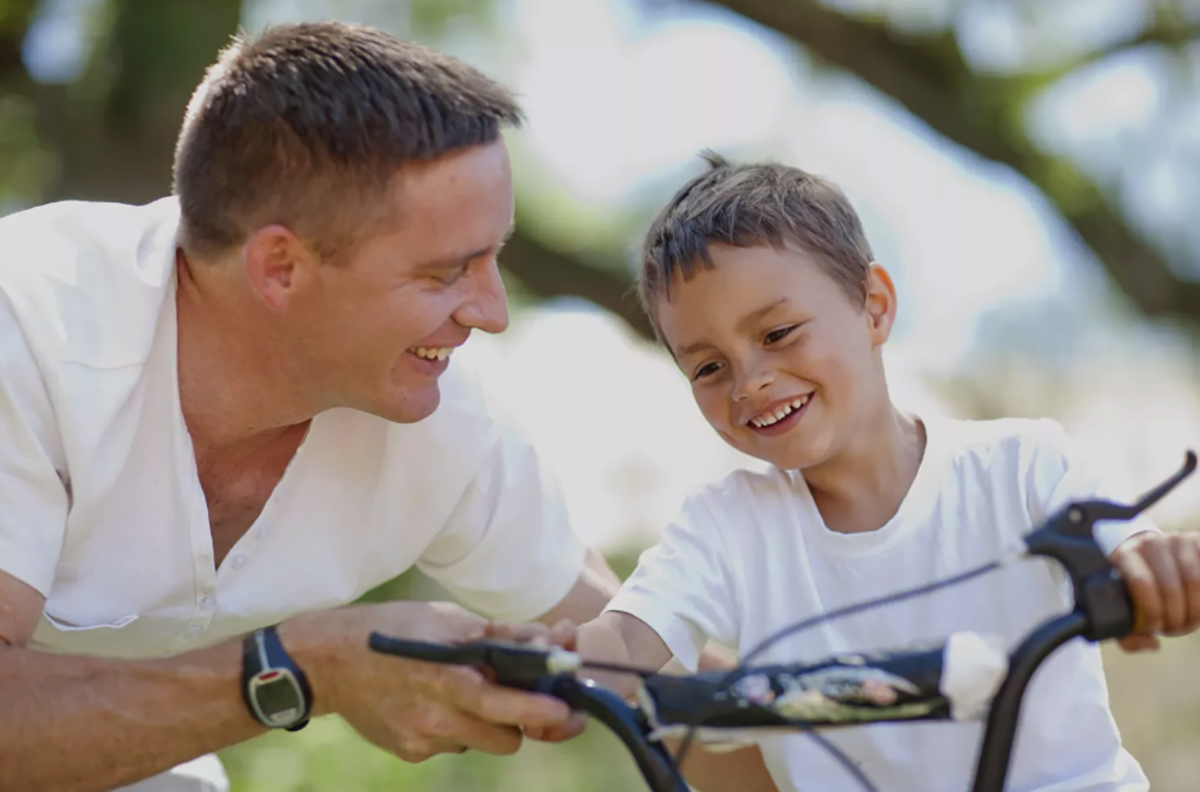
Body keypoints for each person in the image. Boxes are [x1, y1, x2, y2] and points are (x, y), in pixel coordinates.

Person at [0, 21, 622, 792]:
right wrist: (304, 668)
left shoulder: (441, 417)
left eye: (493, 258)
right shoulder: (26, 327)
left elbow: (638, 654)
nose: (492, 312)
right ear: (281, 268)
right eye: (443, 273)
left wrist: (798, 698)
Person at [575, 152, 1200, 791]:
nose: (750, 382)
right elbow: (626, 641)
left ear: (874, 307)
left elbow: (1135, 554)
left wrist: (1162, 570)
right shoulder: (725, 526)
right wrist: (554, 663)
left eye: (779, 333)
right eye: (708, 368)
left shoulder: (1023, 467)